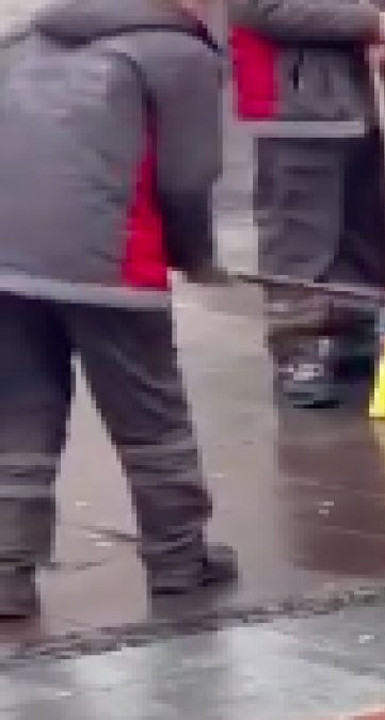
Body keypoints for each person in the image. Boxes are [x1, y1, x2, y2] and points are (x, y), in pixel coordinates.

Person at [0, 0, 238, 620]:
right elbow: (188, 178)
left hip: (6, 257)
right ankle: (179, 559)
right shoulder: (179, 52)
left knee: (20, 414)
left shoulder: (28, 37)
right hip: (108, 257)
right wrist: (195, 256)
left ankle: (5, 571)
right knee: (150, 415)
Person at [228, 0, 385, 408]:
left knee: (368, 224)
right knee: (299, 233)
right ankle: (299, 349)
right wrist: (371, 22)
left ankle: (353, 325)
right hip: (296, 100)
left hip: (375, 92)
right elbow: (261, 8)